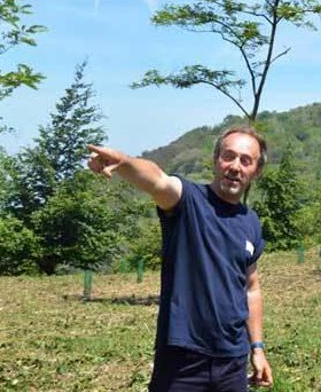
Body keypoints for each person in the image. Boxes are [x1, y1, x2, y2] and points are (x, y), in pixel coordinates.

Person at [87, 125, 273, 392]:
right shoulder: (189, 201)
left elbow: (251, 287)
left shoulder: (250, 222)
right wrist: (125, 163)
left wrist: (257, 348)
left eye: (246, 160)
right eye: (228, 156)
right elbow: (158, 180)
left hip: (233, 359)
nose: (235, 166)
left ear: (256, 171)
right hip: (182, 358)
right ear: (215, 160)